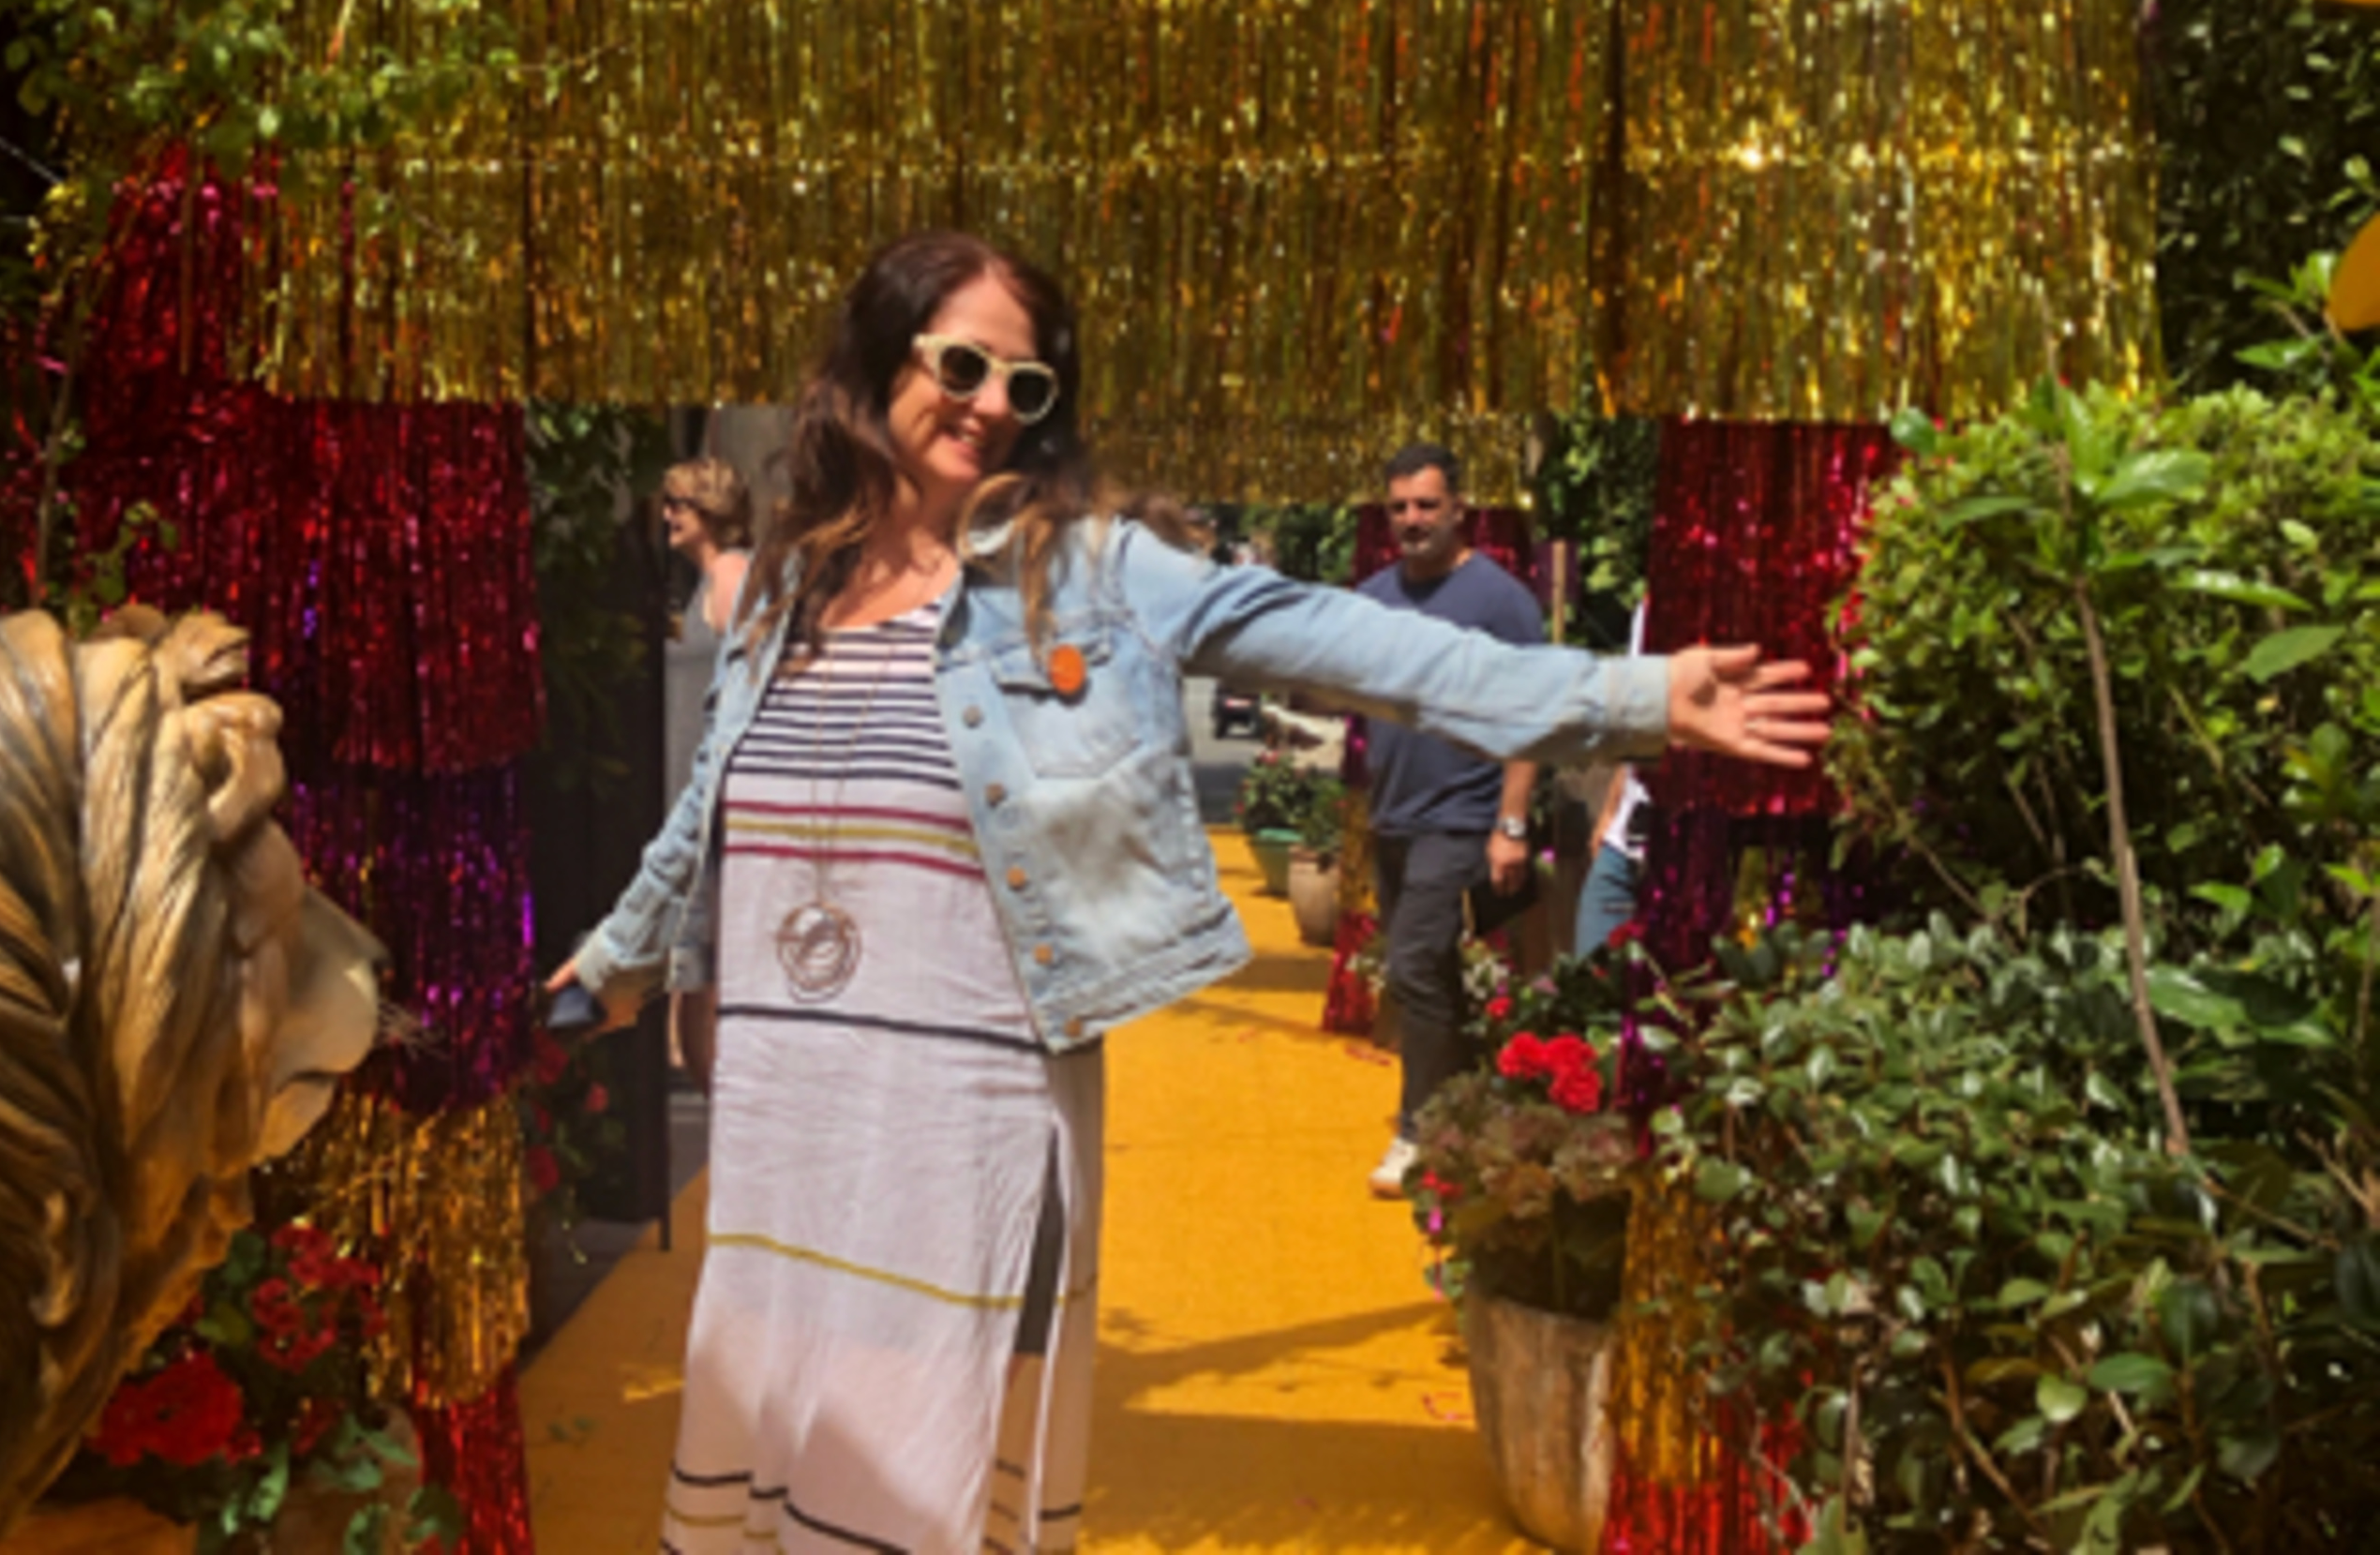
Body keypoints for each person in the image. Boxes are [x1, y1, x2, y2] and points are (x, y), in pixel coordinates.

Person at [546, 231, 1828, 1555]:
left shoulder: (1086, 572)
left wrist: (1631, 697)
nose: (991, 406)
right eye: (964, 365)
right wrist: (626, 953)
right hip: (791, 1111)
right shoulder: (785, 588)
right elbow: (708, 801)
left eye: (1026, 387)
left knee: (915, 1484)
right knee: (774, 1440)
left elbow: (1352, 642)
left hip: (964, 1128)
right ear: (879, 360)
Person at [1355, 440, 1546, 1201]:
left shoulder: (1500, 601)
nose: (1412, 519)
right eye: (1399, 507)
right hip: (1394, 816)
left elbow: (1532, 714)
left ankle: (1418, 1131)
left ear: (1460, 509)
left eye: (1427, 505)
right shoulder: (1374, 598)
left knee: (1412, 966)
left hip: (1462, 816)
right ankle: (1468, 1116)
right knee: (1429, 974)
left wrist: (1512, 823)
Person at [1573, 596, 1653, 955]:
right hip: (1626, 843)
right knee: (1588, 976)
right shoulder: (1651, 609)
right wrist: (1611, 807)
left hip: (1697, 851)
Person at [661, 456, 756, 636]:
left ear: (711, 509)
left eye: (676, 505)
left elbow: (741, 650)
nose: (666, 514)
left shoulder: (730, 571)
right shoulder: (709, 578)